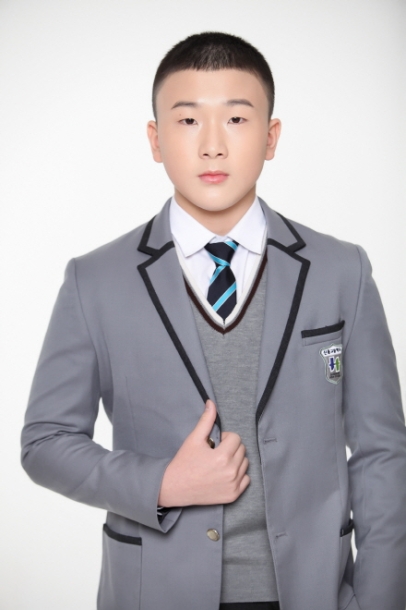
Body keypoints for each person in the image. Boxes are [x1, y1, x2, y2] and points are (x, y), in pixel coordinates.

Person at [21, 31, 406, 610]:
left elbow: (381, 451)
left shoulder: (341, 271)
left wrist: (379, 600)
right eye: (187, 121)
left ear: (271, 137)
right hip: (156, 593)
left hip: (315, 592)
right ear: (155, 140)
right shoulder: (94, 280)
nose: (212, 146)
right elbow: (45, 442)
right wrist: (163, 484)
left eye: (236, 119)